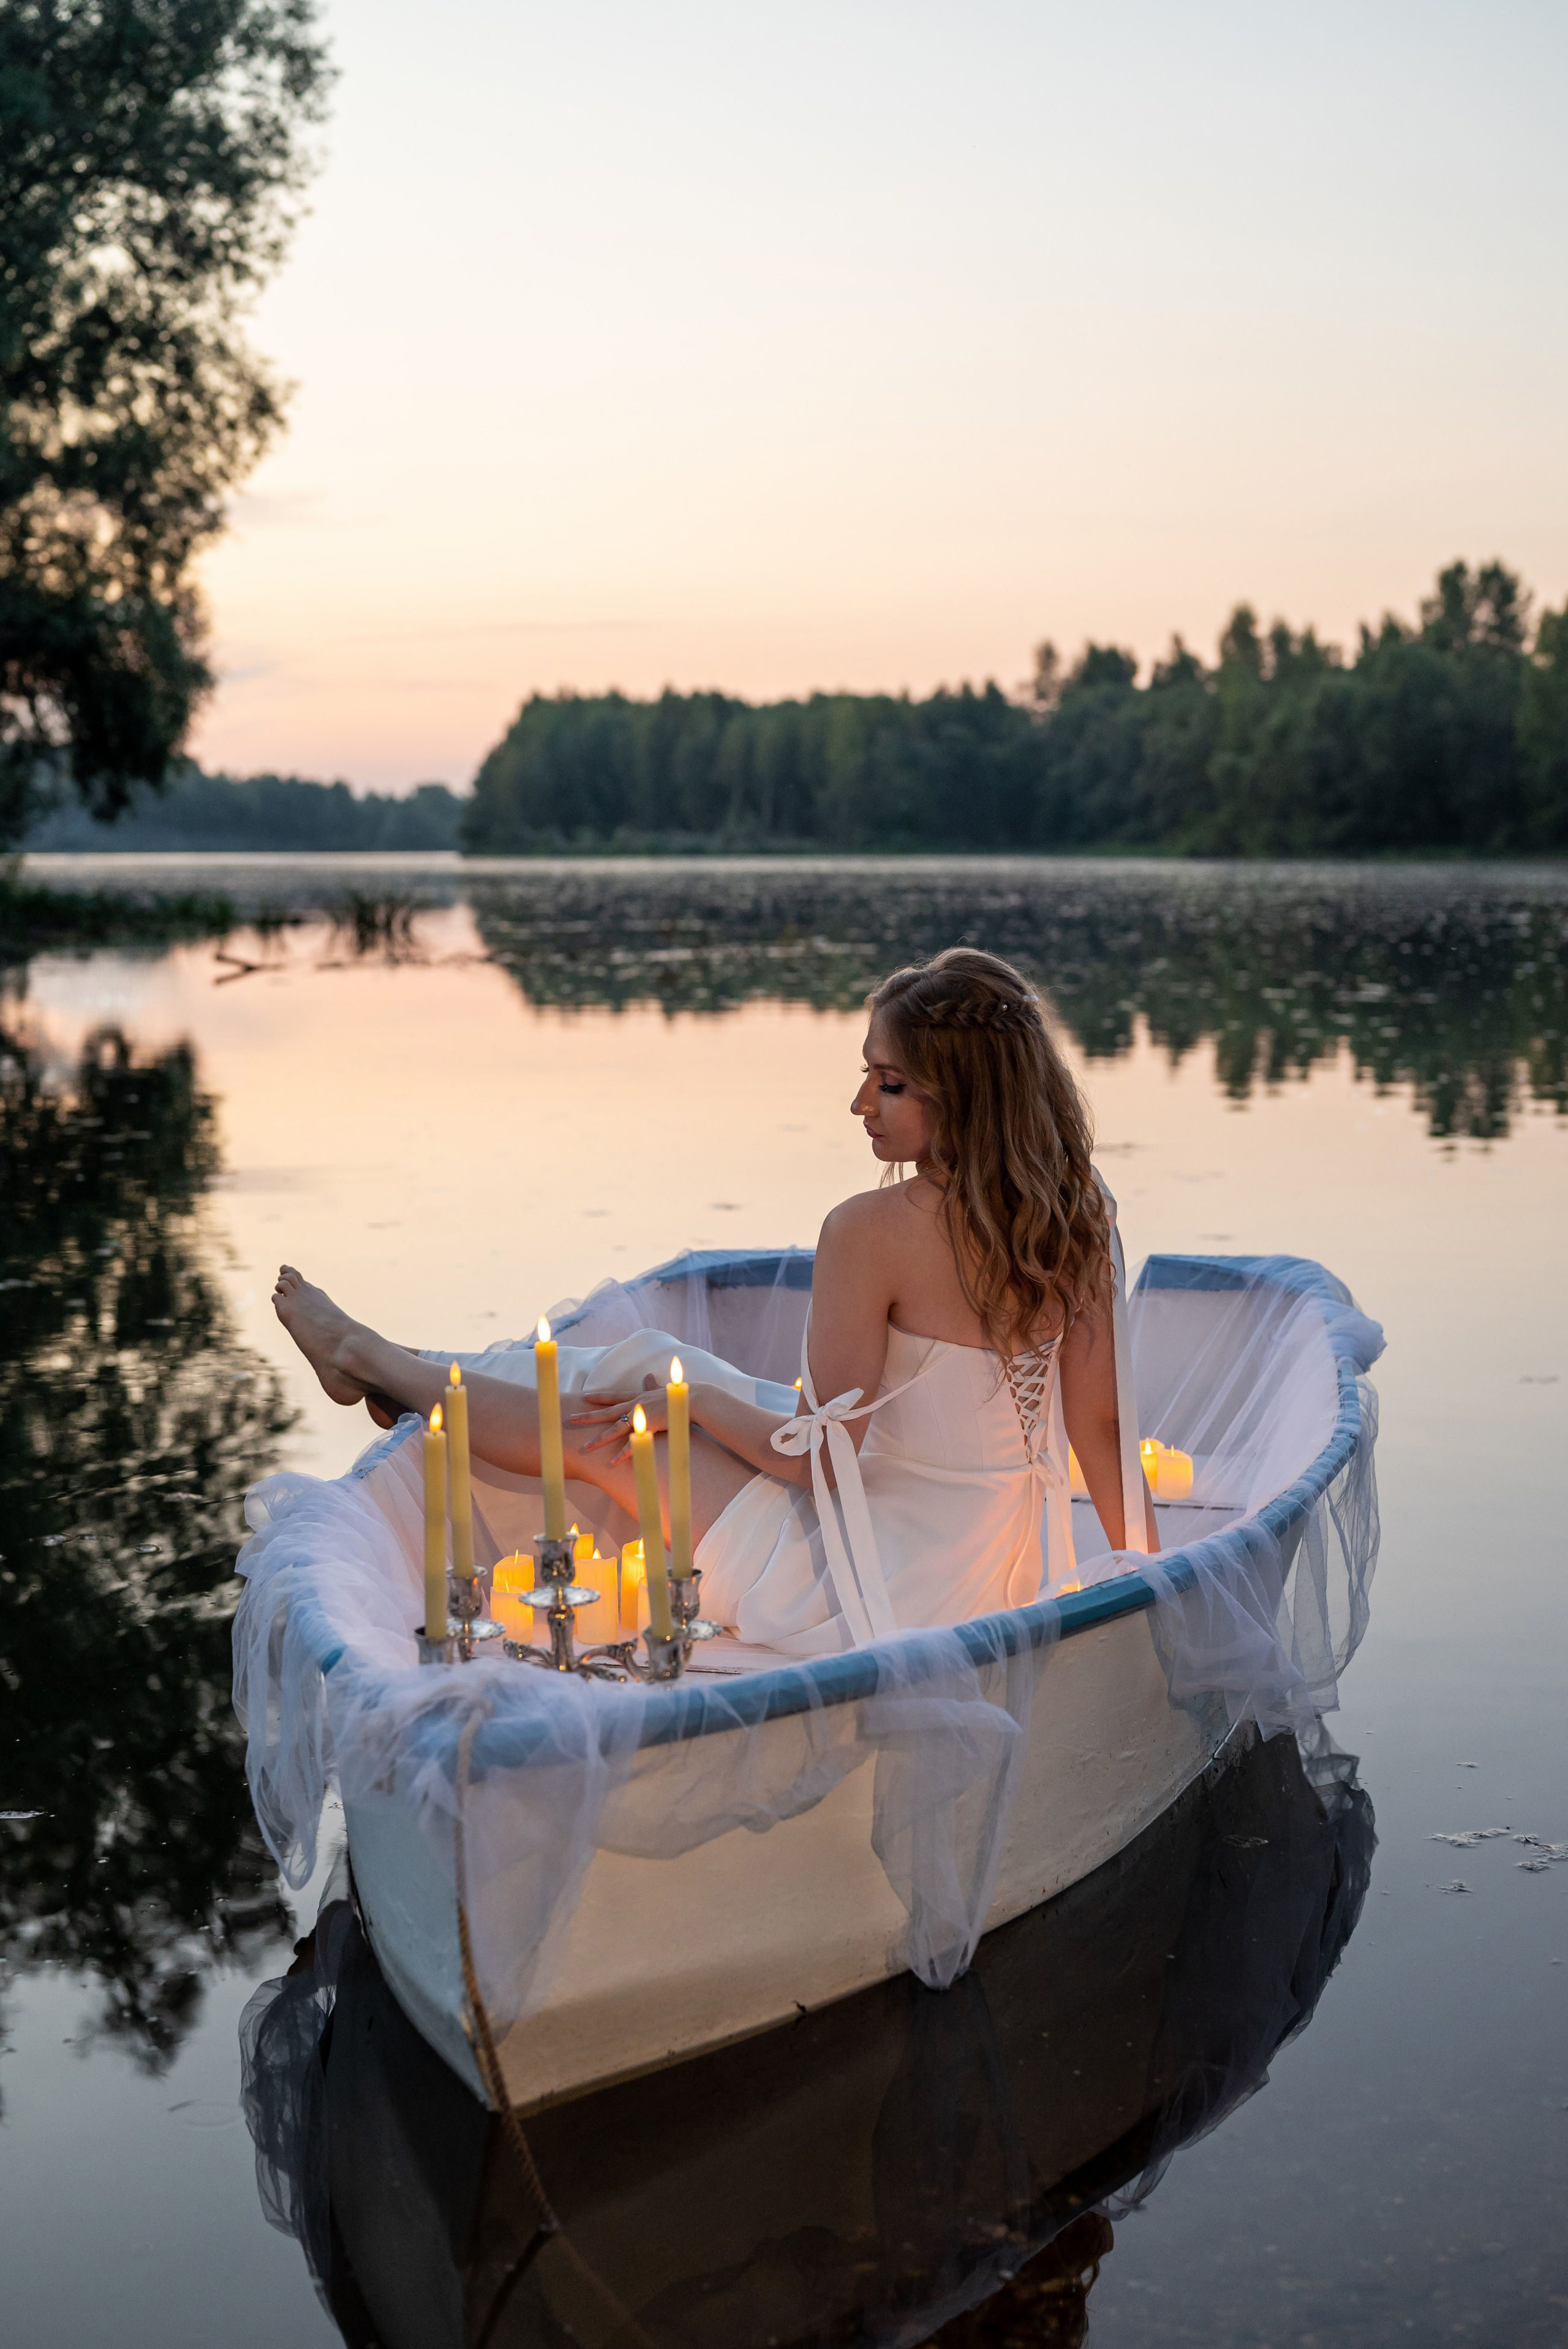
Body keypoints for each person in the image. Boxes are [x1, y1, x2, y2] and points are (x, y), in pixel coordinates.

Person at [273, 947, 1155, 1656]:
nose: (859, 1104)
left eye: (889, 1084)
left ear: (964, 1098)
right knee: (657, 1361)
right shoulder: (1079, 1215)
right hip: (996, 1560)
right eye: (867, 1075)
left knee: (620, 1425)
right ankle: (404, 1373)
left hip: (868, 1586)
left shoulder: (873, 1230)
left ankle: (375, 1363)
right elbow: (1102, 1433)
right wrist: (1150, 1581)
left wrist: (686, 1410)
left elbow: (817, 1459)